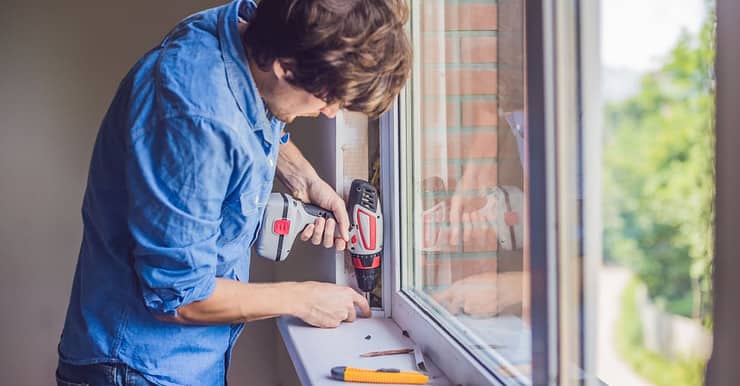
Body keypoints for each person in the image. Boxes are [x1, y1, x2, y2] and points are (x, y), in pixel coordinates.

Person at [56, 1, 411, 385]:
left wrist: (302, 177)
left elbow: (247, 110)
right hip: (138, 368)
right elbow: (179, 295)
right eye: (328, 97)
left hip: (184, 358)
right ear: (285, 67)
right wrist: (303, 297)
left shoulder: (250, 26)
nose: (330, 112)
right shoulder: (194, 115)